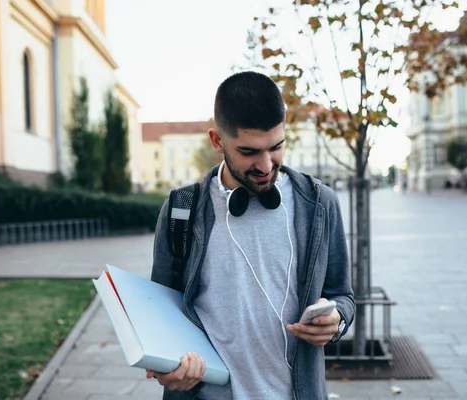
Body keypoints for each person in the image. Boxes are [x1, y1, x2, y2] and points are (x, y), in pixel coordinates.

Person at [148, 71, 355, 400]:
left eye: (276, 147)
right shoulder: (180, 209)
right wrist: (168, 367)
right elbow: (159, 313)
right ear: (217, 141)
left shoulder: (319, 205)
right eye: (248, 152)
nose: (265, 164)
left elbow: (343, 296)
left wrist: (336, 319)